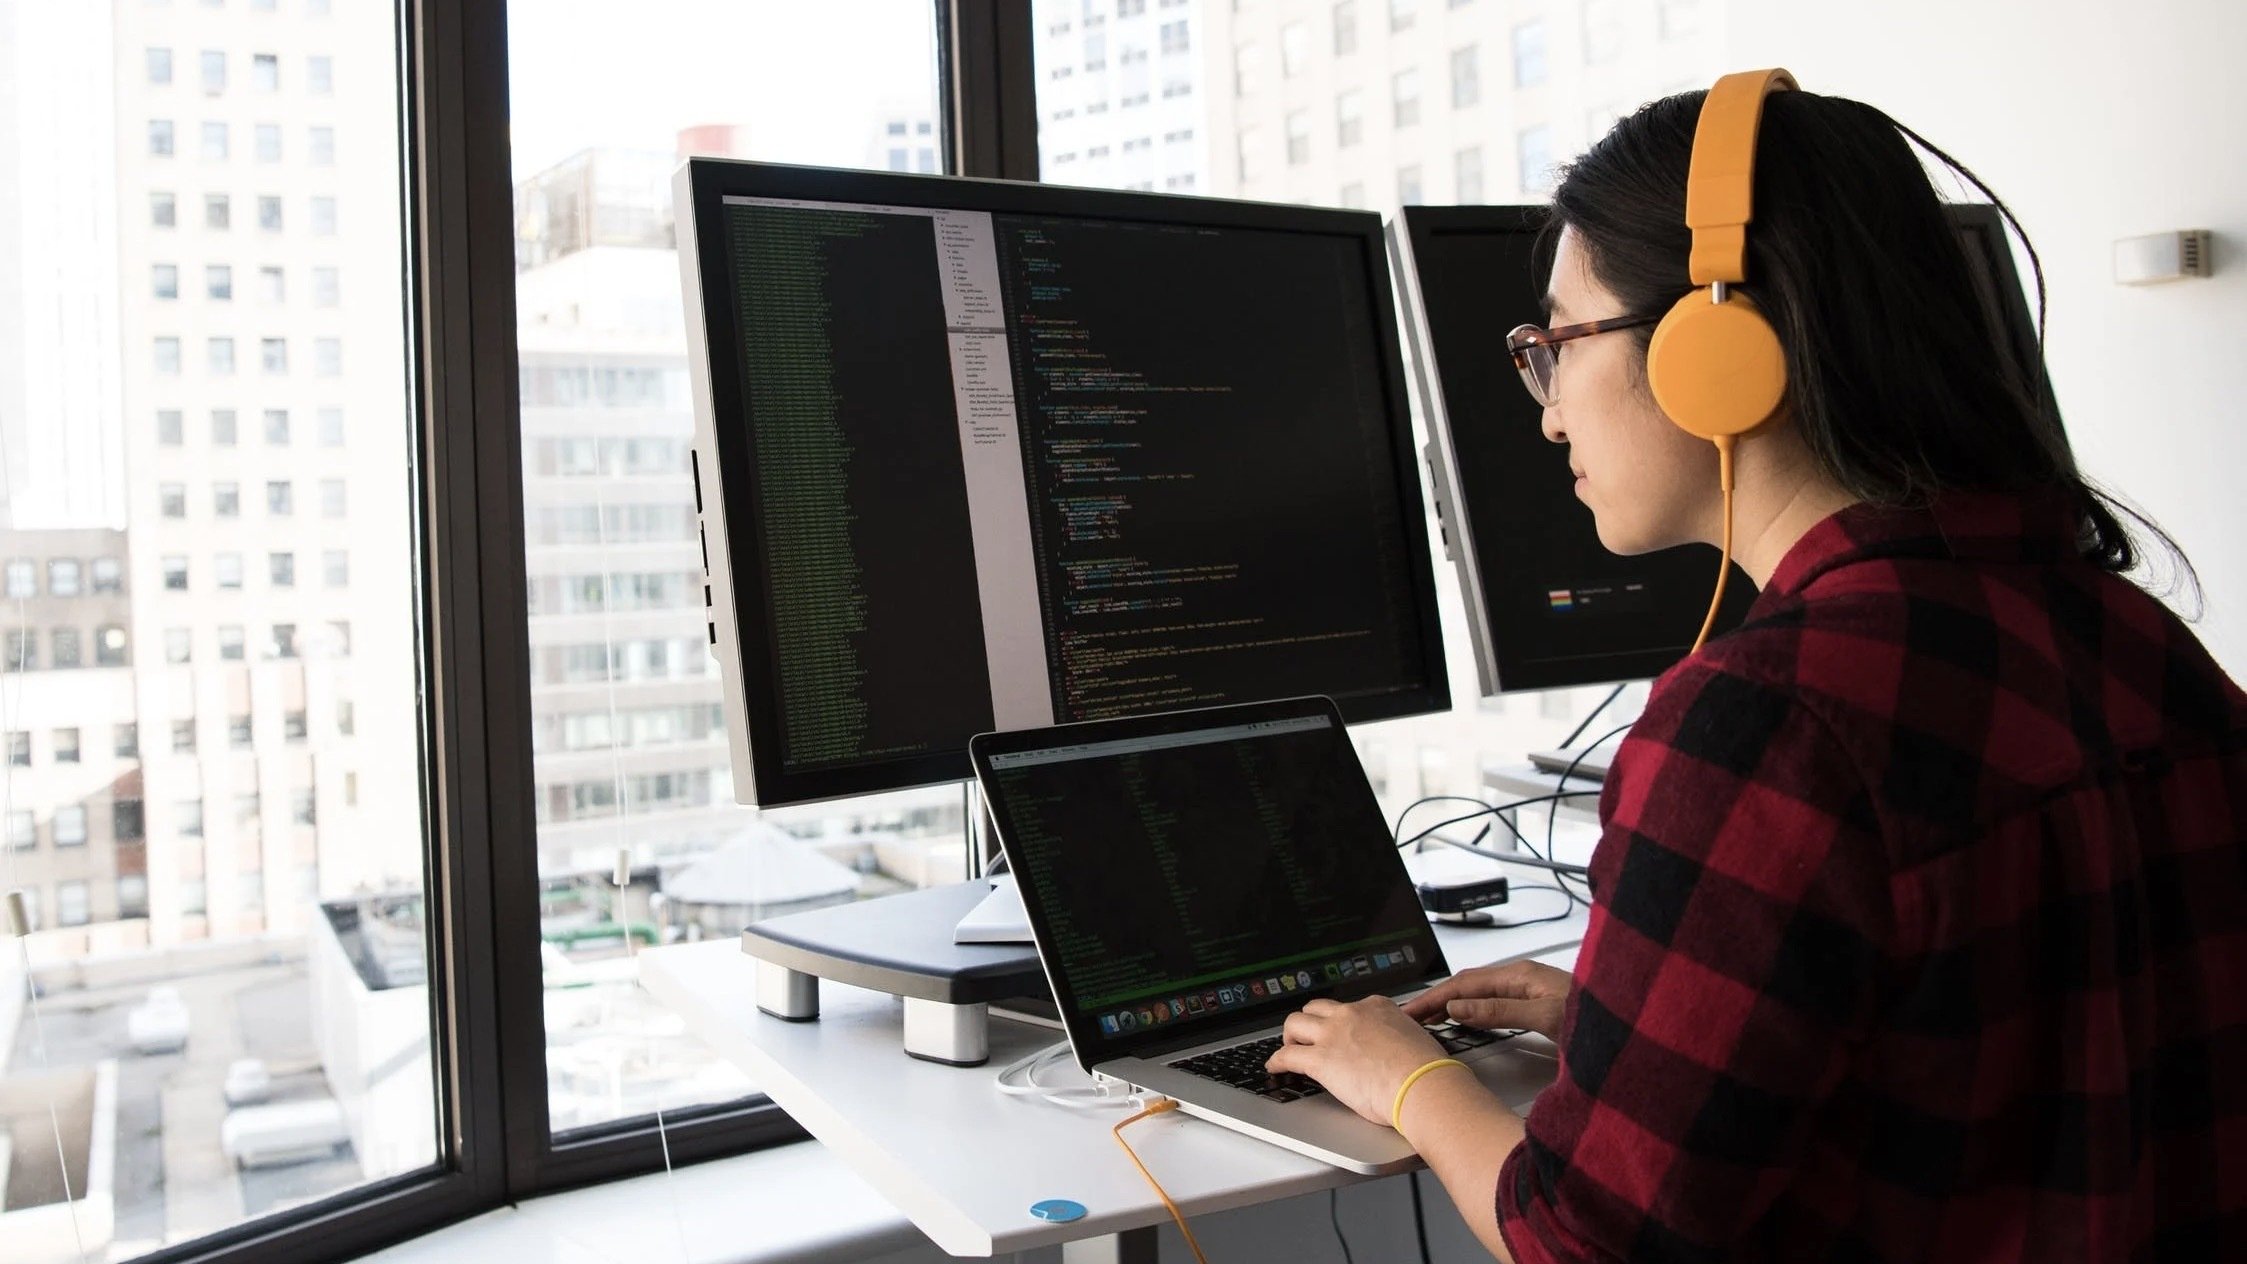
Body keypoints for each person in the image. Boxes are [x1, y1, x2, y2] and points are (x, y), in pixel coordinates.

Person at [1265, 75, 2247, 1262]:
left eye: (1558, 346)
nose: (1548, 414)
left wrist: (1410, 1078)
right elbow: (2015, 1066)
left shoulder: (1767, 724)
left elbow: (1583, 1242)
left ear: (1716, 350)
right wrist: (1629, 1036)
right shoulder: (2143, 642)